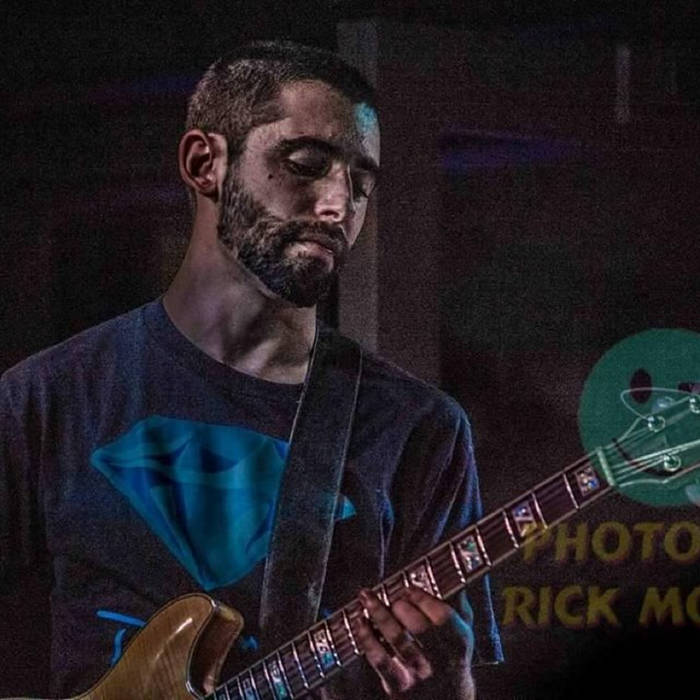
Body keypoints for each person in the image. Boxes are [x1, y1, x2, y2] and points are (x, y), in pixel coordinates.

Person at [0, 41, 501, 698]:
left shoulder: (418, 428)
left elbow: (437, 675)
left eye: (361, 183)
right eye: (306, 165)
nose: (337, 205)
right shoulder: (45, 400)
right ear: (204, 163)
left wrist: (452, 683)